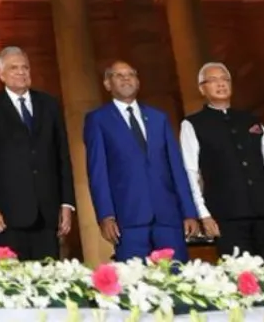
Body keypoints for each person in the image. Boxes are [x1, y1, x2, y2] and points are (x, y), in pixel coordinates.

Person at [84, 60, 200, 262]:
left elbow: (176, 168)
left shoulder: (158, 118)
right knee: (135, 285)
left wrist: (189, 212)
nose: (126, 78)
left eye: (130, 74)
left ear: (138, 82)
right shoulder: (98, 120)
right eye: (118, 75)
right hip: (128, 219)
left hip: (168, 217)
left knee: (177, 280)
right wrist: (106, 215)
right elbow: (98, 172)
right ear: (107, 84)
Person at [180, 62, 264, 260]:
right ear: (202, 88)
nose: (221, 84)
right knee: (242, 279)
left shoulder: (250, 120)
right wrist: (203, 214)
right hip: (226, 217)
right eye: (213, 80)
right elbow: (190, 172)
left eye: (225, 79)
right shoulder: (193, 124)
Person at [0, 46, 74, 261]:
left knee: (50, 282)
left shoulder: (49, 104)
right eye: (13, 68)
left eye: (25, 67)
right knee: (13, 285)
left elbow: (62, 156)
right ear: (1, 74)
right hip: (7, 215)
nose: (21, 72)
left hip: (47, 212)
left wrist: (66, 203)